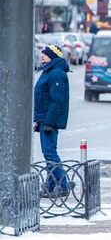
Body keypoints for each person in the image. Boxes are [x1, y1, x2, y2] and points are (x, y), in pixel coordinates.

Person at [33, 45, 70, 197]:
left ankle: (62, 186)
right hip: (44, 118)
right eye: (42, 53)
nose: (42, 56)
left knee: (50, 153)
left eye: (46, 54)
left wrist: (49, 122)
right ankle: (51, 186)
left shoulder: (56, 74)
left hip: (49, 120)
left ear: (53, 56)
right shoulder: (49, 71)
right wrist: (39, 119)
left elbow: (57, 100)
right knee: (48, 153)